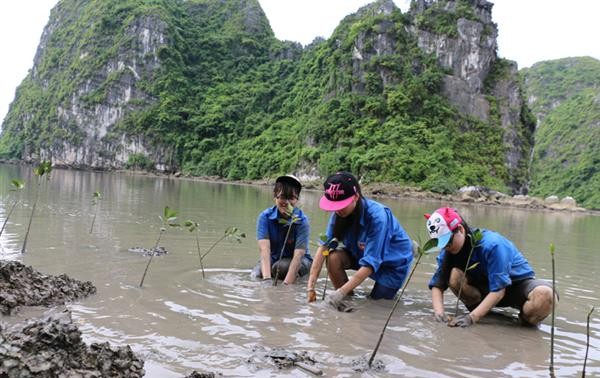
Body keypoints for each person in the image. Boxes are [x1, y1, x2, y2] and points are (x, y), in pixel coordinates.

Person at [425, 207, 557, 327]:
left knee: (545, 296)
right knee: (454, 275)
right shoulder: (448, 252)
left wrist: (471, 318)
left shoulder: (492, 245)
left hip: (515, 287)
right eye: (441, 244)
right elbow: (438, 285)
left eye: (448, 242)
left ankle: (524, 323)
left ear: (460, 229)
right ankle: (486, 316)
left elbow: (499, 290)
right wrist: (439, 314)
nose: (445, 247)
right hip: (483, 289)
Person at [306, 172, 414, 308]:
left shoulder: (377, 217)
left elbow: (370, 263)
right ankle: (347, 302)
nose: (337, 210)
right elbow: (323, 248)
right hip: (360, 252)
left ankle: (409, 247)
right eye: (334, 206)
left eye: (341, 205)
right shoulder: (339, 214)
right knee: (332, 258)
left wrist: (339, 293)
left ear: (356, 196)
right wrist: (311, 286)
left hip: (391, 264)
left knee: (376, 305)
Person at [251, 175, 312, 284]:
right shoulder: (265, 217)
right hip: (274, 258)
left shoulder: (302, 221)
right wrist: (267, 281)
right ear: (275, 196)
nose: (287, 202)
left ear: (297, 199)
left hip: (299, 261)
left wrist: (286, 287)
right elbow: (264, 250)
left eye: (291, 198)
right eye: (283, 197)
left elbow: (298, 256)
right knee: (256, 275)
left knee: (279, 268)